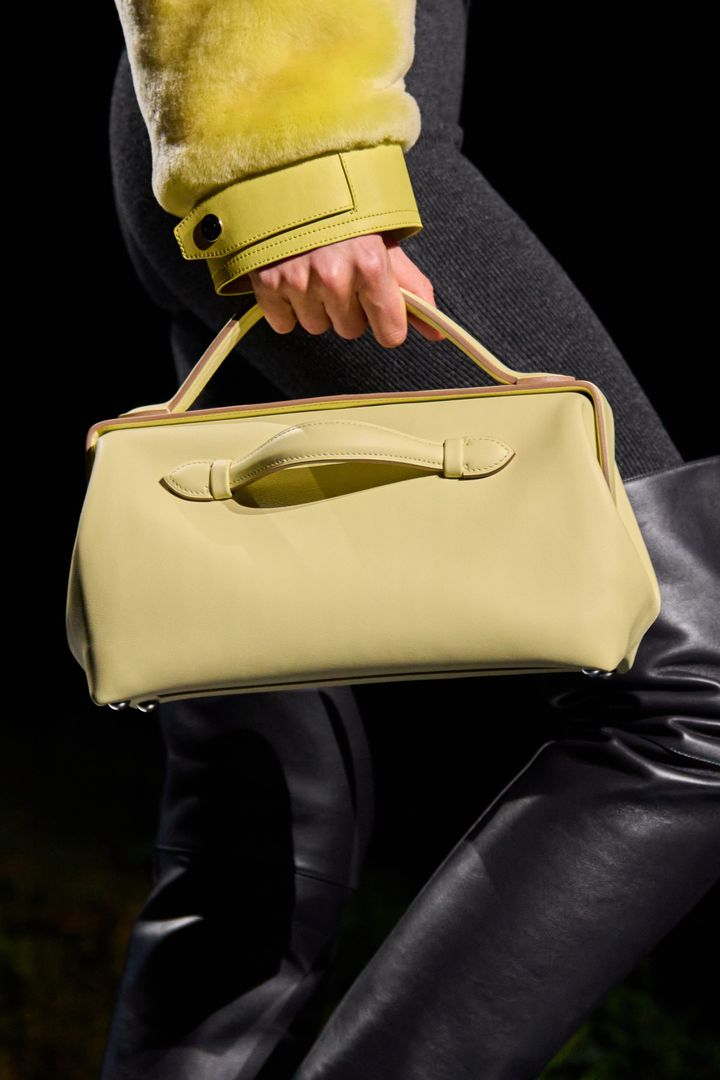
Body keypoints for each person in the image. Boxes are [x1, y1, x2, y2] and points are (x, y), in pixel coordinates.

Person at [101, 1, 720, 1077]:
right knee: (698, 689)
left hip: (267, 117)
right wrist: (291, 169)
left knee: (265, 822)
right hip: (301, 131)